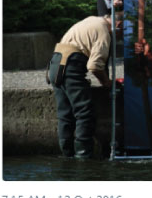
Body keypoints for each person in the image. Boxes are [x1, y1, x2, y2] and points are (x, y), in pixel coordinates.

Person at [47, 14, 117, 159]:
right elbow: (95, 66)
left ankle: (67, 156)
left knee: (65, 115)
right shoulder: (103, 30)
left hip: (55, 65)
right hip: (71, 65)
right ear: (118, 24)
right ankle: (83, 158)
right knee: (84, 113)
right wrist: (107, 82)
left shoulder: (91, 20)